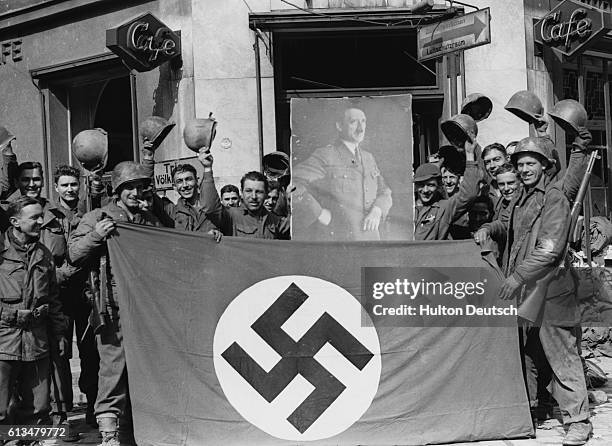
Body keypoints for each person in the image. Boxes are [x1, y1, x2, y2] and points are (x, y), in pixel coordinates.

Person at [475, 136, 592, 446]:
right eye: (521, 163)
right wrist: (488, 228)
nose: (525, 169)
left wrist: (516, 276)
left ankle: (579, 420)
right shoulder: (523, 197)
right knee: (529, 351)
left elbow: (549, 250)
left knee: (561, 352)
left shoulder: (554, 197)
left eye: (531, 163)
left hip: (551, 288)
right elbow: (511, 227)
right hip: (529, 289)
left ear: (544, 166)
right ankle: (532, 408)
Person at [68, 161, 165, 446]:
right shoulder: (97, 216)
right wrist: (97, 234)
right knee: (112, 368)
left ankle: (140, 429)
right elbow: (74, 254)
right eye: (130, 188)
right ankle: (109, 435)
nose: (136, 193)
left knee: (146, 368)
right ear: (118, 190)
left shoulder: (149, 218)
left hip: (147, 306)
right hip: (113, 306)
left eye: (140, 187)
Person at [0, 197, 67, 428]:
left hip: (37, 340)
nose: (41, 221)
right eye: (35, 217)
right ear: (15, 222)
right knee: (0, 408)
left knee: (39, 409)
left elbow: (53, 299)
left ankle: (32, 442)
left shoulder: (44, 254)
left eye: (42, 216)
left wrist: (59, 335)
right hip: (4, 339)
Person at [44, 165, 99, 434]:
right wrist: (61, 274)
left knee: (91, 351)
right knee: (61, 352)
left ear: (80, 186)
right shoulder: (46, 217)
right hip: (59, 297)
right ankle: (61, 413)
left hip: (86, 292)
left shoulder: (89, 215)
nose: (69, 189)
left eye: (73, 184)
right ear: (56, 188)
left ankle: (93, 405)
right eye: (64, 185)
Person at [292, 106, 392, 241]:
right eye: (353, 122)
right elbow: (293, 184)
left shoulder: (368, 158)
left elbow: (385, 191)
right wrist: (318, 213)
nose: (360, 128)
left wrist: (377, 210)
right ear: (339, 126)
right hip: (340, 240)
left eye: (363, 121)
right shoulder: (326, 155)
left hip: (371, 240)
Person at [142, 146, 222, 238]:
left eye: (188, 179)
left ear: (197, 181)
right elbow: (148, 188)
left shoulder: (213, 208)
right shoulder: (171, 212)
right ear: (175, 187)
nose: (185, 185)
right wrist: (148, 157)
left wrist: (207, 168)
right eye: (179, 181)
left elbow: (210, 204)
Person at [413, 139, 479, 240]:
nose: (425, 190)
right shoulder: (407, 207)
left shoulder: (443, 208)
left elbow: (469, 194)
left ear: (439, 186)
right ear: (415, 185)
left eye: (431, 185)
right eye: (421, 185)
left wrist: (470, 156)